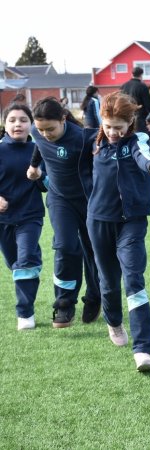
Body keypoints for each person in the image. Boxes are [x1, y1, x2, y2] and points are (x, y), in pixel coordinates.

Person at [88, 91, 150, 372]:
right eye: (108, 126)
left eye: (118, 127)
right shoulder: (94, 143)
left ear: (130, 122)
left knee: (133, 279)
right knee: (108, 282)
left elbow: (144, 157)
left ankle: (142, 349)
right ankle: (114, 321)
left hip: (132, 220)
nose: (113, 132)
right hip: (99, 220)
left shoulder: (137, 141)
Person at [27, 97, 101, 327]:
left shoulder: (84, 137)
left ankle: (95, 297)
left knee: (93, 252)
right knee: (65, 247)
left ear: (63, 119)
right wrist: (33, 166)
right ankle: (64, 305)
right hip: (60, 200)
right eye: (41, 129)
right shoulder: (37, 131)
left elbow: (109, 134)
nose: (45, 134)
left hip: (89, 201)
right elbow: (39, 145)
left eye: (50, 129)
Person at [0, 104, 47, 330]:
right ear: (4, 124)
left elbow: (47, 185)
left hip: (30, 215)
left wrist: (39, 176)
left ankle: (25, 313)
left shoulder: (39, 148)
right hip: (3, 219)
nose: (17, 124)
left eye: (23, 120)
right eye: (12, 120)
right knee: (15, 264)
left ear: (31, 124)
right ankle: (30, 266)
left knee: (25, 259)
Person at [120, 66, 150, 132]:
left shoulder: (123, 86)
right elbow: (148, 104)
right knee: (140, 136)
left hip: (126, 117)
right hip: (139, 118)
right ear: (141, 75)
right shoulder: (142, 87)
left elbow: (120, 102)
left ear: (132, 74)